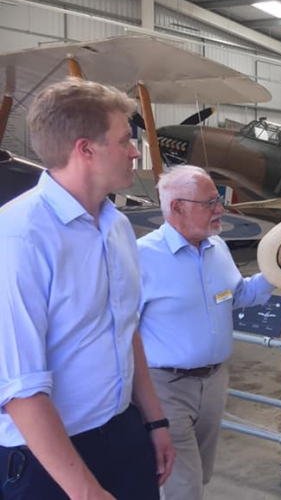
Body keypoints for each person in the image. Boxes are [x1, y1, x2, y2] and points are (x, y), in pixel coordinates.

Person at [0, 77, 175, 500]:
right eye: (124, 140)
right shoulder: (20, 237)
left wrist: (154, 421)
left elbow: (124, 326)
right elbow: (20, 389)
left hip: (122, 432)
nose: (136, 151)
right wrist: (85, 492)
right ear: (86, 150)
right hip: (48, 457)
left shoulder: (116, 226)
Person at [137, 165, 275, 500]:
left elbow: (238, 295)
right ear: (178, 207)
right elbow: (120, 329)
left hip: (214, 382)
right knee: (184, 485)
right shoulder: (141, 257)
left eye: (219, 200)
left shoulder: (218, 248)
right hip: (164, 387)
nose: (220, 209)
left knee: (200, 475)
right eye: (210, 202)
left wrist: (280, 270)